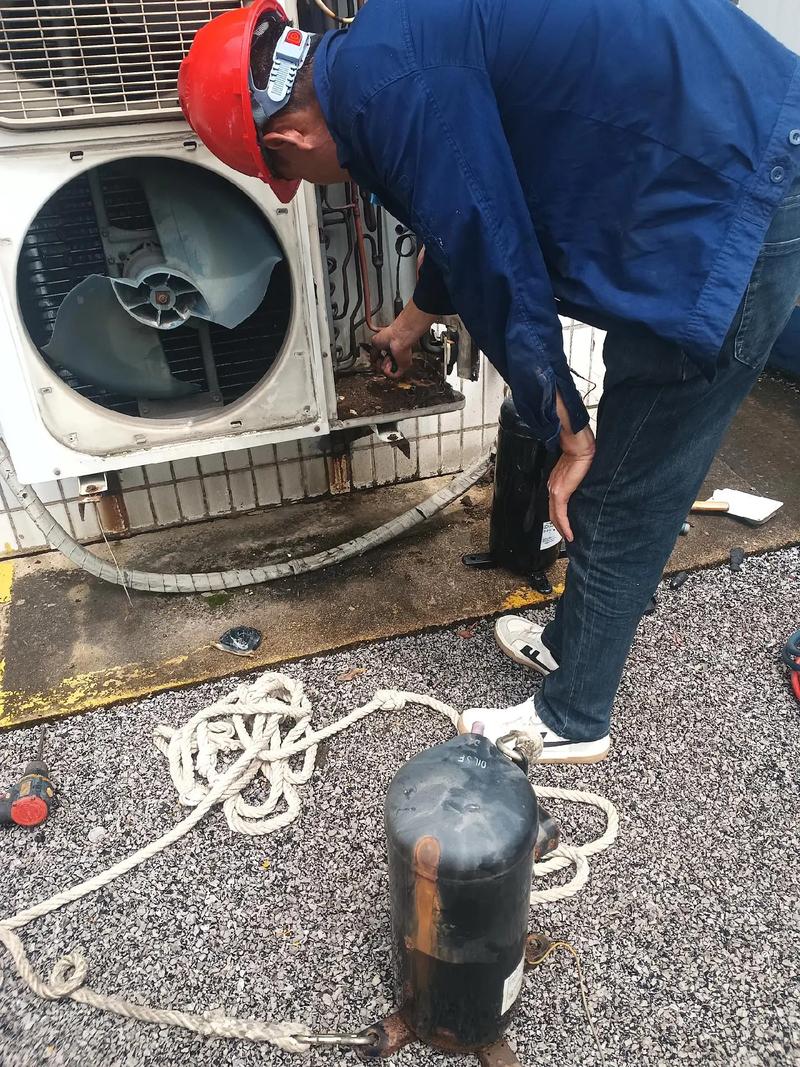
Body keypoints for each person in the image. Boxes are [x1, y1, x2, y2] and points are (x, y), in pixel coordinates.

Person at [180, 0, 800, 763]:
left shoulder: (391, 91)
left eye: (290, 177)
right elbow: (463, 209)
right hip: (723, 153)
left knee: (623, 487)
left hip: (740, 196)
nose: (309, 182)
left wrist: (568, 431)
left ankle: (575, 716)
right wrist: (411, 323)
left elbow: (494, 252)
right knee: (626, 457)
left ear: (289, 139)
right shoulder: (381, 54)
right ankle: (573, 644)